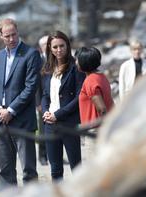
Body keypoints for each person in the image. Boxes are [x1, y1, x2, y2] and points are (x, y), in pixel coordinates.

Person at [0, 18, 41, 186]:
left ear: (18, 32)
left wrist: (10, 111)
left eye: (14, 34)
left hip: (22, 121)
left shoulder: (31, 54)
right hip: (1, 120)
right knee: (5, 170)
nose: (12, 39)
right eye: (7, 36)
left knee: (28, 170)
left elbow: (31, 87)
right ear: (1, 36)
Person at [41, 30, 86, 181]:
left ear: (67, 45)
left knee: (76, 168)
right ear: (49, 48)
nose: (59, 50)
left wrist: (58, 114)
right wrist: (46, 111)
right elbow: (45, 95)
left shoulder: (75, 67)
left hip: (68, 122)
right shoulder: (48, 68)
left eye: (62, 46)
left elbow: (80, 96)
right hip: (50, 124)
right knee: (55, 170)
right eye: (55, 47)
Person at [74, 46, 113, 126]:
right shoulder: (102, 76)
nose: (76, 62)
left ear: (83, 61)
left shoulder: (90, 80)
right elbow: (111, 102)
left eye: (77, 59)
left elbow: (102, 109)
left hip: (95, 129)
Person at [36, 35, 48, 166]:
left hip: (55, 100)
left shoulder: (56, 60)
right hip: (43, 100)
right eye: (45, 44)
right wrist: (38, 102)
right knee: (43, 129)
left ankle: (55, 155)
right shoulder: (38, 61)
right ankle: (42, 156)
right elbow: (36, 84)